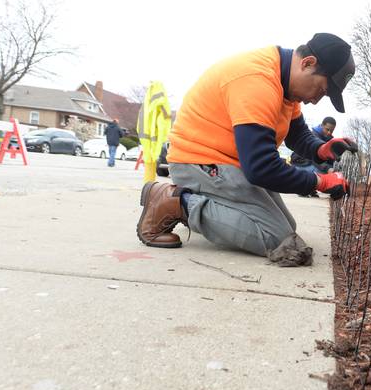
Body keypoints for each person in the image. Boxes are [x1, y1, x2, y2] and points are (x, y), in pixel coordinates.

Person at [135, 32, 358, 267]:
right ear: (308, 63)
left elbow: (297, 133)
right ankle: (176, 202)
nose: (317, 100)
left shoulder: (286, 87)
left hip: (228, 163)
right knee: (279, 240)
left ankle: (204, 205)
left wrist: (321, 149)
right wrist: (320, 182)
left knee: (287, 228)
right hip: (196, 161)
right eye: (322, 90)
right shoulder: (257, 81)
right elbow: (262, 169)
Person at [291, 116, 337, 197]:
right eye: (327, 129)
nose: (329, 132)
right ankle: (302, 188)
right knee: (324, 171)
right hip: (300, 164)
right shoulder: (313, 135)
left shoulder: (328, 139)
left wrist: (334, 168)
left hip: (309, 163)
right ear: (322, 125)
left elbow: (328, 158)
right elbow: (314, 159)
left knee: (328, 170)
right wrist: (328, 169)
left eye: (332, 130)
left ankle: (310, 188)